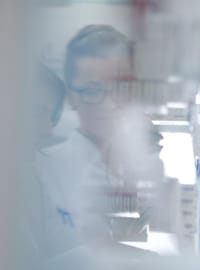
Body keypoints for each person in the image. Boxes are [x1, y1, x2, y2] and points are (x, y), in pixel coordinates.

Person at [36, 24, 164, 253]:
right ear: (71, 97)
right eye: (92, 92)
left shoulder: (150, 168)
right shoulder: (43, 172)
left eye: (120, 89)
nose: (110, 104)